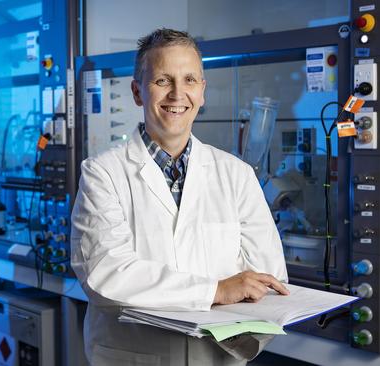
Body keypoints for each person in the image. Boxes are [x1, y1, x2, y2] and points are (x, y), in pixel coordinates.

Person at [70, 28, 289, 365]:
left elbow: (266, 279)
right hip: (133, 357)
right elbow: (106, 274)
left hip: (218, 357)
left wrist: (247, 335)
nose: (177, 94)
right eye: (162, 80)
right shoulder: (103, 174)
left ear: (201, 92)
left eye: (189, 80)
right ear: (137, 92)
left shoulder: (237, 175)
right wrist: (215, 291)